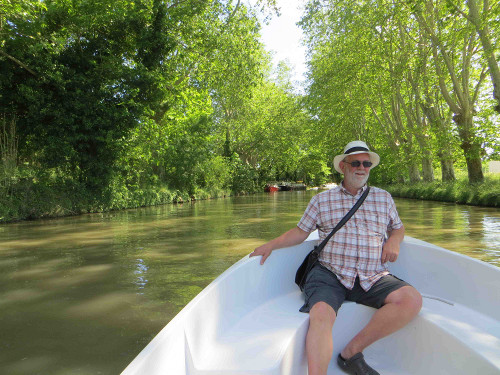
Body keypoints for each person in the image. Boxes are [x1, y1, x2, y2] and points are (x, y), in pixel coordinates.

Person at [250, 140, 422, 375]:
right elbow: (301, 232)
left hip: (372, 274)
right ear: (343, 166)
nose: (362, 168)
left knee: (411, 300)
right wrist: (271, 245)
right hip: (330, 273)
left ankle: (351, 352)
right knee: (321, 314)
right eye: (356, 163)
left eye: (366, 163)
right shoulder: (321, 200)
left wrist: (393, 241)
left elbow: (398, 228)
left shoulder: (384, 198)